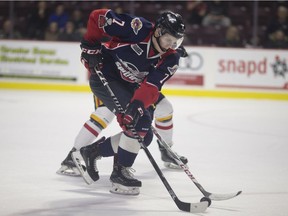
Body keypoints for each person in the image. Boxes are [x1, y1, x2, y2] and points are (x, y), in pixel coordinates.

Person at [70, 9, 186, 195]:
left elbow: (151, 86)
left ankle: (93, 151)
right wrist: (90, 46)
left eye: (176, 42)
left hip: (130, 86)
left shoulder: (171, 58)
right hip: (105, 76)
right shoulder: (137, 29)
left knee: (144, 136)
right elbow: (98, 17)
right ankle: (119, 173)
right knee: (136, 125)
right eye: (168, 40)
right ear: (157, 31)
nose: (171, 46)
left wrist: (136, 106)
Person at [57, 46, 189, 176]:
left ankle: (166, 150)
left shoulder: (164, 47)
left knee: (164, 108)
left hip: (137, 87)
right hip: (112, 80)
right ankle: (74, 155)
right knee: (104, 114)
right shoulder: (137, 36)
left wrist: (175, 51)